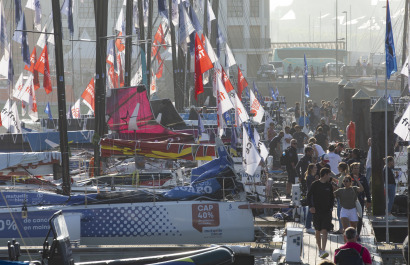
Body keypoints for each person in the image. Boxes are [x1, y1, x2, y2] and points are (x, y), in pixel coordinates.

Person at [307, 168, 334, 259]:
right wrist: (311, 206)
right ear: (325, 174)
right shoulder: (315, 184)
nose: (330, 176)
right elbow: (308, 195)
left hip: (326, 211)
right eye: (329, 174)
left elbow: (332, 197)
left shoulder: (329, 185)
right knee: (318, 230)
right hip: (317, 211)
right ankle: (319, 249)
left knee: (325, 230)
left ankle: (323, 249)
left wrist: (331, 207)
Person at [350, 162, 372, 238]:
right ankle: (351, 233)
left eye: (358, 168)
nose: (356, 170)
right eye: (355, 168)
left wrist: (369, 200)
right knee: (351, 217)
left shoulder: (363, 178)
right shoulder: (348, 177)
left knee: (360, 217)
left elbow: (367, 189)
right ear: (352, 169)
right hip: (350, 201)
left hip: (360, 200)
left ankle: (357, 234)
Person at [334, 162, 350, 234]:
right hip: (346, 197)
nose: (337, 168)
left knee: (339, 213)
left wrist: (333, 185)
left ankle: (341, 228)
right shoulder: (346, 175)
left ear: (341, 168)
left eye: (338, 167)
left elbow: (339, 187)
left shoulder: (341, 177)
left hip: (340, 197)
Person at [304, 163, 317, 233]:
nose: (316, 169)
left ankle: (310, 225)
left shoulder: (312, 177)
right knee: (311, 210)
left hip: (313, 195)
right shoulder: (310, 177)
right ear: (311, 169)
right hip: (311, 195)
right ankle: (308, 226)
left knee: (312, 210)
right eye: (315, 168)